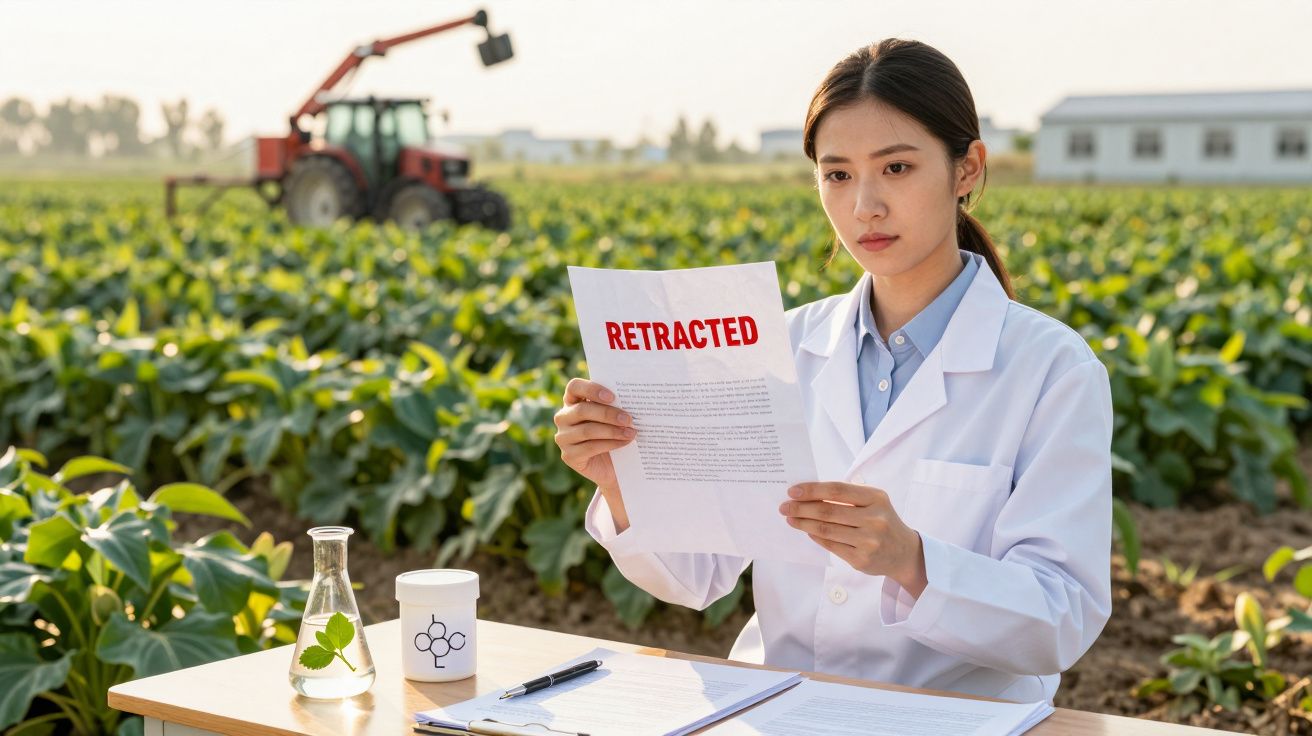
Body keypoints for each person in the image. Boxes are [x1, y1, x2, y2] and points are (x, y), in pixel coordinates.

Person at [552, 38, 1113, 704]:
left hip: (960, 721)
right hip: (779, 707)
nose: (864, 206)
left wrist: (912, 561)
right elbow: (695, 576)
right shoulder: (779, 347)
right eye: (837, 174)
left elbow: (1062, 616)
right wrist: (626, 486)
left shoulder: (1052, 369)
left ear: (967, 170)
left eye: (897, 168)